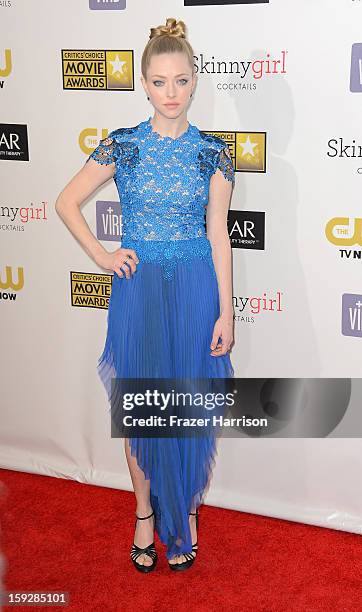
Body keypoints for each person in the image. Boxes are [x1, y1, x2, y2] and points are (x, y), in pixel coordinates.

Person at [55, 16, 235, 573]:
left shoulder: (213, 153)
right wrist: (104, 256)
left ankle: (185, 510)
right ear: (142, 82)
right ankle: (143, 515)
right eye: (159, 82)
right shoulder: (124, 146)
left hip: (196, 291)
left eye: (181, 80)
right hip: (138, 293)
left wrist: (227, 309)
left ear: (196, 80)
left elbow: (219, 232)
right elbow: (66, 202)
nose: (171, 92)